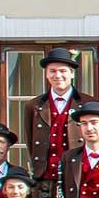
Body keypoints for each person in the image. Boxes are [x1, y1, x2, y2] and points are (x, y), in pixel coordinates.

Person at [24, 47, 84, 179]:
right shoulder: (33, 106)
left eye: (63, 71)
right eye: (52, 71)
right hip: (44, 177)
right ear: (46, 74)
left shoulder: (86, 103)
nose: (57, 76)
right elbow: (30, 141)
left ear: (72, 73)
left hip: (77, 176)